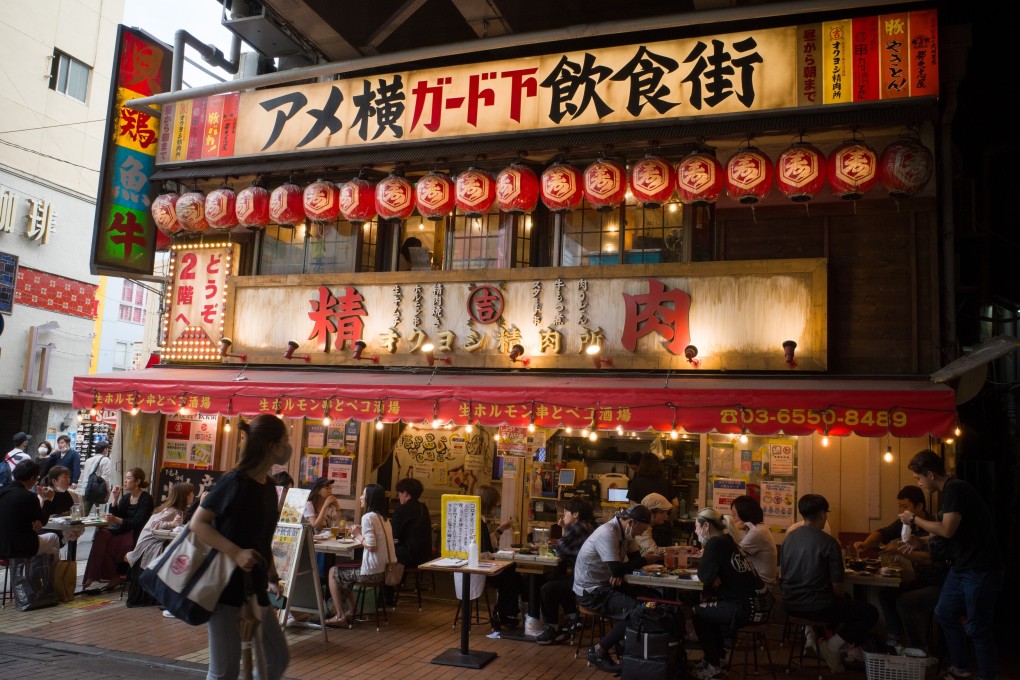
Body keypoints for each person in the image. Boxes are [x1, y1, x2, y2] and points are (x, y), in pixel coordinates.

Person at [190, 414, 291, 680]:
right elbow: (198, 524)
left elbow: (261, 538)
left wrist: (272, 576)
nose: (288, 447)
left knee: (276, 658)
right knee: (225, 672)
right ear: (271, 446)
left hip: (255, 586)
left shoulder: (269, 487)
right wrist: (236, 552)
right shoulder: (235, 481)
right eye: (285, 441)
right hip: (224, 587)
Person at [900, 450, 1002, 680]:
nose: (918, 482)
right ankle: (961, 668)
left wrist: (914, 520)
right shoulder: (950, 492)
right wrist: (921, 540)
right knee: (944, 613)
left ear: (929, 474)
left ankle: (987, 676)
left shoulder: (956, 488)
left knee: (977, 627)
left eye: (918, 478)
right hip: (962, 567)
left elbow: (947, 529)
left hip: (980, 568)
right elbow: (950, 533)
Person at [781, 494, 878, 672]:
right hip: (818, 606)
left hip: (789, 604)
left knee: (843, 603)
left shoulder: (789, 539)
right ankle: (832, 646)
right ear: (822, 514)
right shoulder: (829, 543)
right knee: (870, 612)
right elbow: (838, 589)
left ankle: (819, 640)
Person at [853, 485, 944, 650]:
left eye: (905, 506)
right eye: (900, 506)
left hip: (938, 584)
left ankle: (916, 648)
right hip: (920, 581)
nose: (902, 510)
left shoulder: (932, 525)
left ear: (919, 507)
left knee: (904, 600)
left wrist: (898, 551)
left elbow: (928, 559)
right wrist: (866, 544)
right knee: (887, 595)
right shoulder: (904, 522)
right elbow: (883, 533)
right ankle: (895, 638)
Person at [573, 504, 661, 673]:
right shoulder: (608, 532)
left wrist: (623, 569)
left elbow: (629, 563)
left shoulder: (626, 532)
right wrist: (643, 561)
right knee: (639, 609)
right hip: (591, 591)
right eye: (641, 529)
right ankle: (598, 650)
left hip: (606, 585)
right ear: (631, 522)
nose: (641, 534)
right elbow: (620, 568)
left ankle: (627, 650)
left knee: (653, 598)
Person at [690, 508, 774, 680]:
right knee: (709, 609)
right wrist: (714, 575)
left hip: (749, 608)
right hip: (761, 603)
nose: (696, 531)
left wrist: (712, 575)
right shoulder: (727, 541)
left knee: (697, 612)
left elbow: (703, 575)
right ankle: (715, 660)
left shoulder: (715, 543)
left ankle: (713, 664)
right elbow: (710, 576)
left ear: (706, 526)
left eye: (697, 527)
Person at [325, 483, 396, 627]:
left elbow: (371, 545)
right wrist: (361, 531)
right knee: (345, 569)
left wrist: (357, 534)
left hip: (371, 573)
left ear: (370, 498)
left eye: (363, 494)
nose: (360, 497)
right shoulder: (384, 518)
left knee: (333, 571)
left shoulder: (368, 517)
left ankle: (340, 616)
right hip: (385, 571)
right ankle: (353, 609)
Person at [81, 467, 154, 591]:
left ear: (137, 482)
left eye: (128, 478)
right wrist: (115, 498)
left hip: (135, 534)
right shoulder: (126, 497)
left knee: (105, 547)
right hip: (122, 531)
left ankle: (98, 576)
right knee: (101, 535)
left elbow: (138, 522)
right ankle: (99, 576)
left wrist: (116, 520)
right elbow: (118, 514)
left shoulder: (146, 499)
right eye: (125, 478)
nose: (125, 481)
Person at [535, 497, 595, 645]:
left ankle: (552, 628)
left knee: (547, 588)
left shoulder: (577, 527)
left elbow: (561, 551)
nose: (563, 514)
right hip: (590, 579)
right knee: (559, 580)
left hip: (585, 583)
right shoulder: (587, 526)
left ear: (576, 514)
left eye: (566, 511)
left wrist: (565, 529)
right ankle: (574, 618)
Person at [125, 482, 194, 609]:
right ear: (185, 496)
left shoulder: (175, 509)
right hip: (148, 547)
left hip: (152, 543)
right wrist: (172, 524)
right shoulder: (171, 511)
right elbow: (154, 526)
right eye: (191, 493)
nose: (193, 495)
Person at [477, 484, 523, 629]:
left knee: (511, 572)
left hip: (475, 566)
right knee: (512, 573)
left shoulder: (477, 518)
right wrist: (500, 558)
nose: (496, 506)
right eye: (495, 503)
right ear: (489, 503)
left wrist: (500, 530)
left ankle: (505, 612)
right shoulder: (479, 522)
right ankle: (503, 613)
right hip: (480, 569)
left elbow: (484, 544)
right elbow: (484, 554)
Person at [385, 477, 433, 605]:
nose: (399, 496)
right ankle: (395, 589)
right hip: (425, 555)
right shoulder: (423, 507)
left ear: (405, 493)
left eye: (399, 493)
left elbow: (395, 535)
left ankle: (387, 597)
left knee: (385, 557)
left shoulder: (402, 510)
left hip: (410, 556)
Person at [0, 460, 60, 557]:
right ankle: (50, 572)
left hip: (2, 544)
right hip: (22, 546)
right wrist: (48, 499)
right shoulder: (28, 496)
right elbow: (43, 521)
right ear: (33, 478)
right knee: (54, 538)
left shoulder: (2, 492)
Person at [729, 495, 778, 597]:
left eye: (734, 514)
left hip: (762, 588)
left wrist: (732, 529)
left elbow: (732, 555)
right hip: (757, 584)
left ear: (744, 513)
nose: (733, 519)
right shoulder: (755, 529)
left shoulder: (757, 532)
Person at [80, 441, 115, 516]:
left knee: (83, 514)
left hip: (87, 490)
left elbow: (86, 476)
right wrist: (108, 491)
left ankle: (79, 527)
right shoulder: (105, 460)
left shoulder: (88, 460)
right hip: (99, 491)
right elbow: (105, 477)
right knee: (101, 515)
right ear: (105, 449)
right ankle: (98, 527)